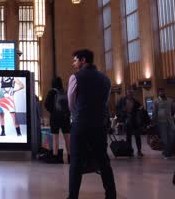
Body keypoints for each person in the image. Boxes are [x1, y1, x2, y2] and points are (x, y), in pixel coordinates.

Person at [67, 49, 116, 199]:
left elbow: (71, 101)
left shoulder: (75, 77)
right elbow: (105, 101)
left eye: (75, 60)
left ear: (83, 60)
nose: (73, 63)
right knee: (103, 160)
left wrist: (77, 114)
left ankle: (73, 196)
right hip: (99, 124)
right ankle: (111, 195)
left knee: (76, 160)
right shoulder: (105, 79)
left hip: (80, 123)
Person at [116, 87, 149, 158]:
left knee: (137, 137)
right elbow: (118, 110)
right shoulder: (122, 101)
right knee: (128, 137)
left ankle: (139, 151)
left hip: (135, 121)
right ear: (126, 93)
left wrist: (141, 111)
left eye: (132, 93)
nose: (131, 94)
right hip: (127, 121)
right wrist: (121, 117)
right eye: (129, 92)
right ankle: (129, 151)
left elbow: (141, 110)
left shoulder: (136, 101)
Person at [44, 77, 71, 163]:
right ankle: (70, 157)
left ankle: (56, 157)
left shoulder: (51, 92)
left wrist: (52, 111)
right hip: (65, 117)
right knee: (67, 137)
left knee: (55, 138)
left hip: (55, 118)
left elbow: (46, 104)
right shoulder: (64, 92)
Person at [153, 88, 175, 159]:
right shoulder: (156, 101)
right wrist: (153, 121)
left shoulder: (170, 100)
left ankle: (171, 151)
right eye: (160, 92)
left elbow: (174, 109)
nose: (161, 93)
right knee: (165, 138)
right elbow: (155, 112)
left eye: (162, 91)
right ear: (158, 93)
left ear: (164, 92)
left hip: (170, 121)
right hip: (161, 122)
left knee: (172, 136)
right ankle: (167, 153)